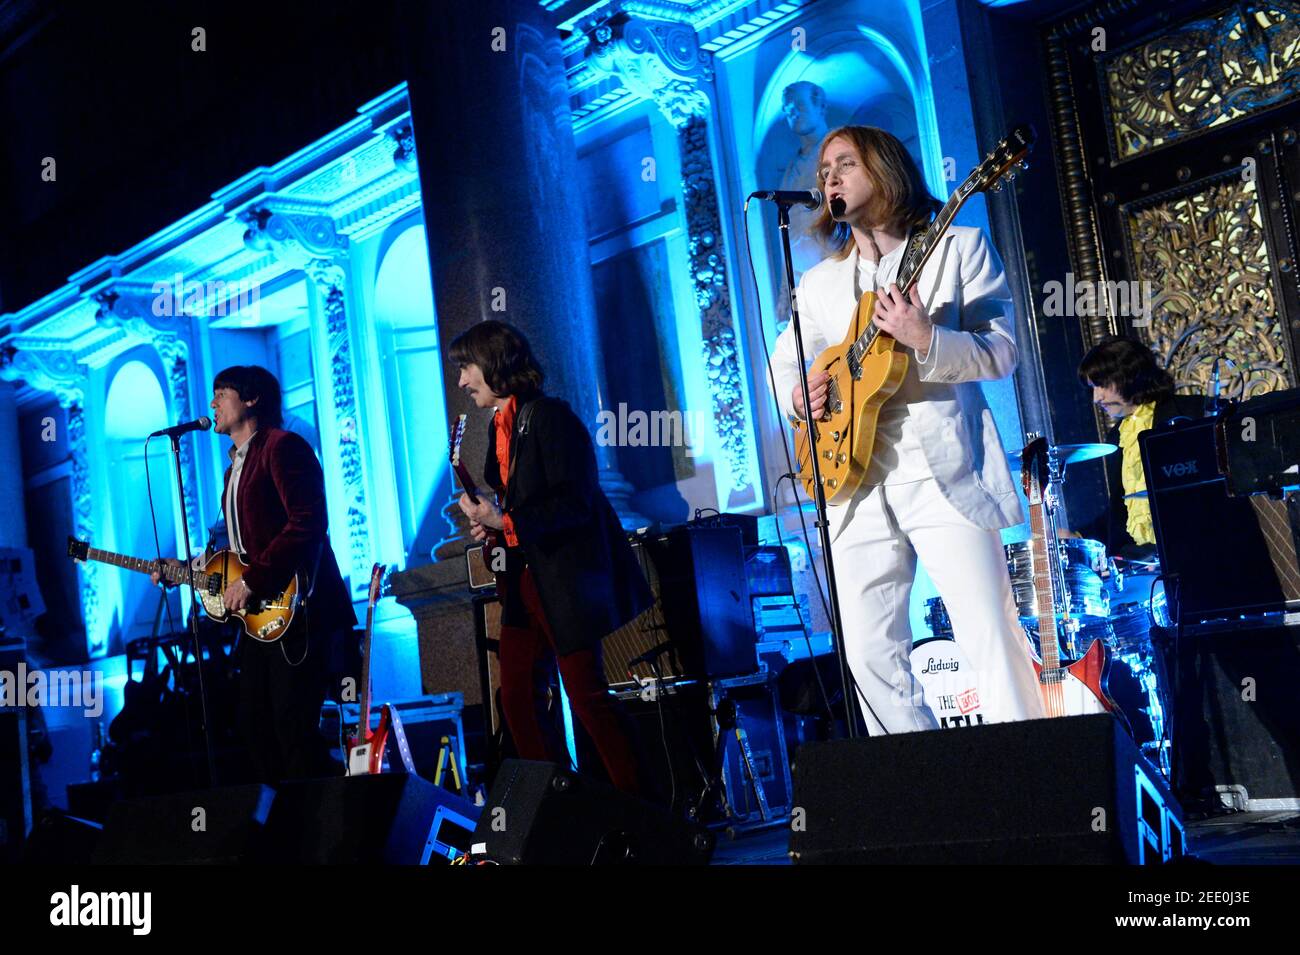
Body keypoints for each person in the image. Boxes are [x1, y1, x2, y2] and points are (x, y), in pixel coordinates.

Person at [770, 125, 1044, 734]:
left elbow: (1001, 351)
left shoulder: (958, 246)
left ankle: (1034, 791)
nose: (829, 178)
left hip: (941, 469)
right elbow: (789, 361)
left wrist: (927, 338)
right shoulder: (818, 285)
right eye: (823, 171)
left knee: (988, 633)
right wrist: (797, 393)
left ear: (886, 168)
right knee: (869, 656)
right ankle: (925, 798)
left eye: (845, 163)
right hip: (852, 481)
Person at [451, 321, 651, 794]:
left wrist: (503, 521)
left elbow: (575, 502)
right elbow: (514, 506)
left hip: (563, 581)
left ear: (495, 363)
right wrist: (491, 523)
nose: (461, 380)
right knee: (517, 698)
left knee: (587, 696)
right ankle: (557, 806)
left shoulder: (551, 417)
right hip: (524, 581)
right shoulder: (501, 424)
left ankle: (644, 808)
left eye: (466, 367)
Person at [153, 365, 354, 783]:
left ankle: (326, 827)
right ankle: (288, 826)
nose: (211, 404)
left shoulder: (282, 446)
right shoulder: (233, 471)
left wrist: (254, 579)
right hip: (261, 618)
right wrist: (186, 570)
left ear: (251, 399)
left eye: (220, 394)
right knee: (254, 723)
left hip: (299, 610)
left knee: (291, 726)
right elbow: (234, 550)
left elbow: (308, 520)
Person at [1076, 335, 1204, 559]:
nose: (1096, 398)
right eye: (1092, 389)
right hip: (1145, 560)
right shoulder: (1116, 437)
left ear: (1128, 376)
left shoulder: (1191, 412)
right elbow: (1121, 509)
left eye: (1101, 386)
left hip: (1198, 545)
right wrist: (1080, 535)